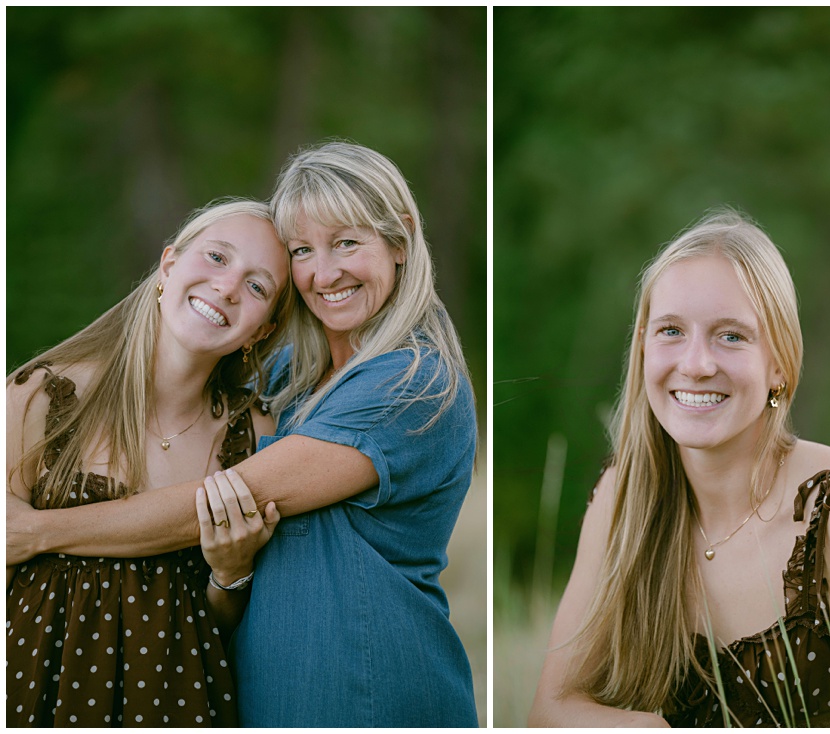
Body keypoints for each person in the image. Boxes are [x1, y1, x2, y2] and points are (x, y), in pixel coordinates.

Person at [7, 141, 480, 727]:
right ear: (167, 263)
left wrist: (35, 531)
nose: (323, 273)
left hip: (369, 696)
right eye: (304, 250)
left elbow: (224, 501)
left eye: (348, 243)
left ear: (402, 240)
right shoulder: (284, 383)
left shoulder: (413, 383)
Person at [528, 209, 830, 728]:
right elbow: (550, 712)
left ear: (779, 363)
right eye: (671, 330)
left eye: (731, 336)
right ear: (643, 345)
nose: (695, 364)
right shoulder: (623, 495)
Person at [6, 199, 293, 726]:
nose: (228, 287)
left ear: (261, 331)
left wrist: (231, 573)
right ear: (167, 267)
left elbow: (217, 628)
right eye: (216, 257)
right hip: (35, 694)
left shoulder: (257, 438)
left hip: (176, 704)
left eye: (257, 287)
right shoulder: (39, 398)